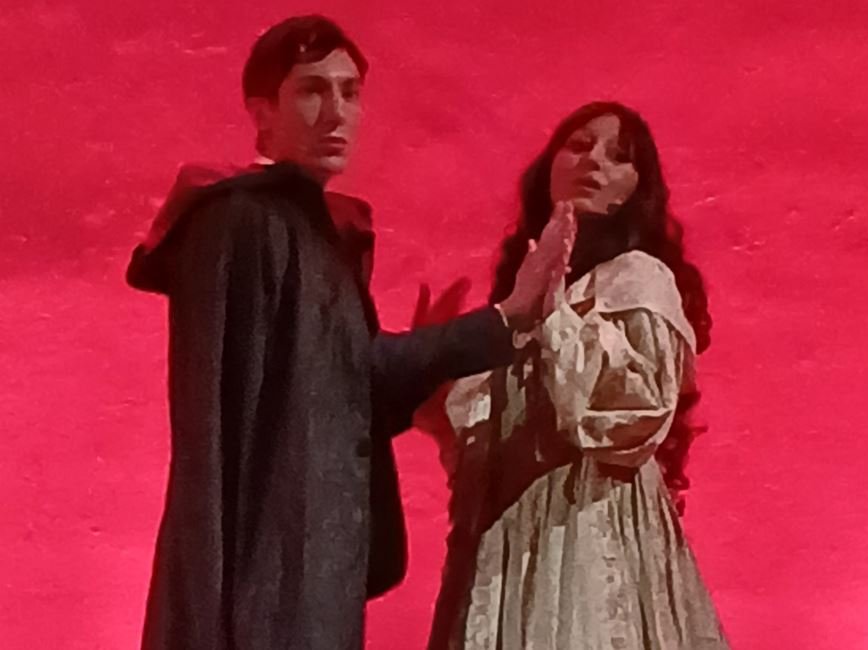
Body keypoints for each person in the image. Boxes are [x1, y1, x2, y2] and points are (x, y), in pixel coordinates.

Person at [125, 15, 575, 650]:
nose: (336, 113)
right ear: (261, 111)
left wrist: (459, 348)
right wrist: (507, 317)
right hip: (273, 580)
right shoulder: (244, 221)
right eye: (312, 90)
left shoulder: (300, 224)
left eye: (350, 92)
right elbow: (231, 430)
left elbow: (342, 391)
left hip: (302, 567)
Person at [424, 102, 729, 649]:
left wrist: (554, 314)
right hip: (508, 533)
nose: (594, 161)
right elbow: (488, 441)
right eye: (580, 145)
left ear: (635, 189)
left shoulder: (639, 279)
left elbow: (633, 412)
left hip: (588, 529)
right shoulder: (522, 293)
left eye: (619, 156)